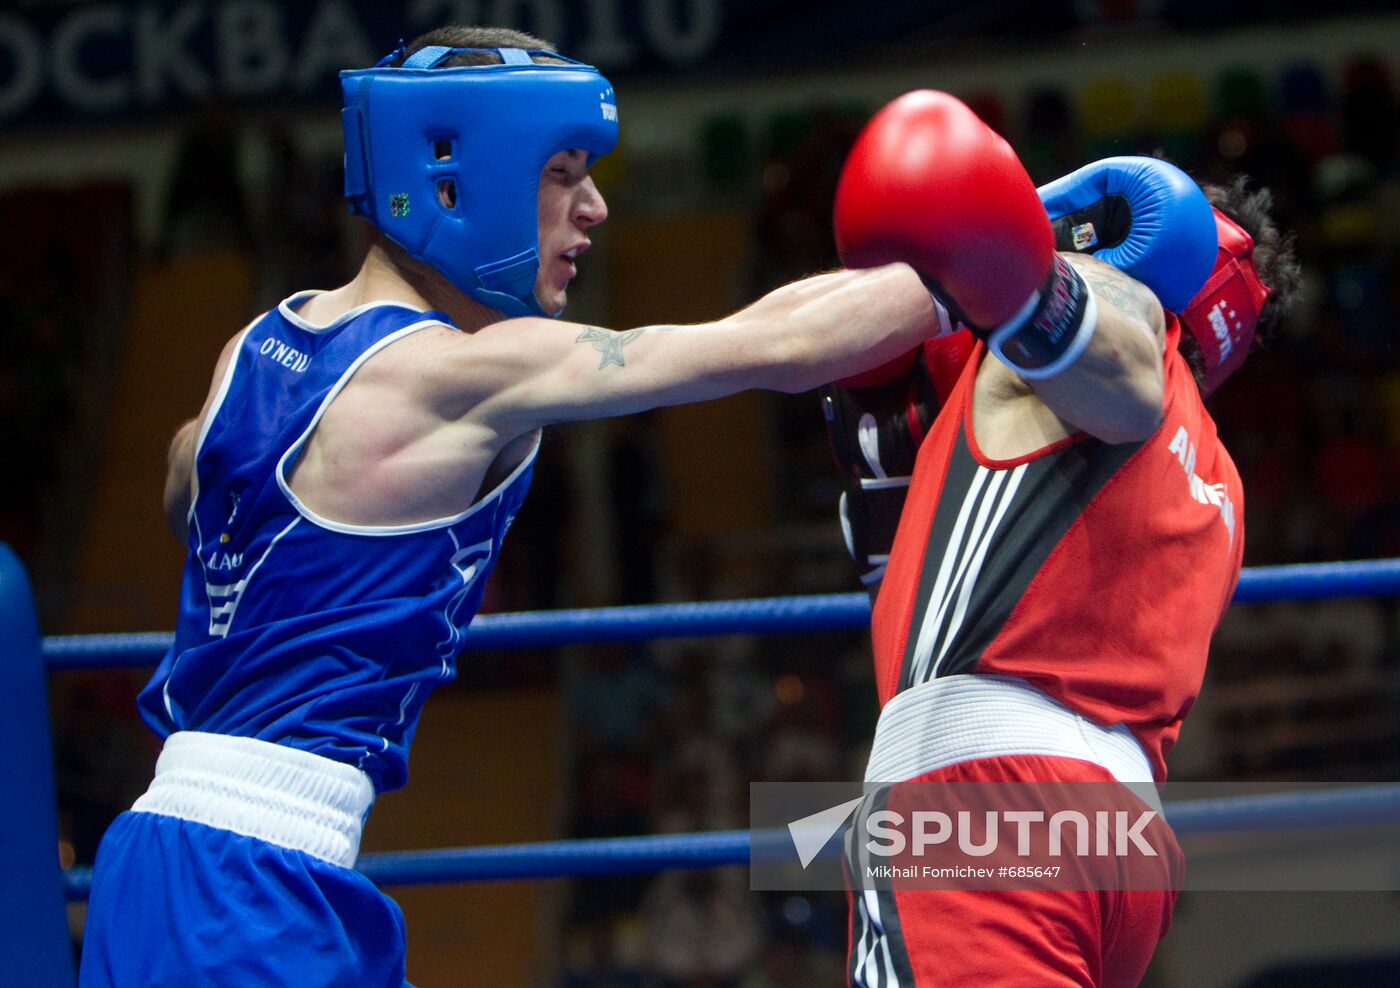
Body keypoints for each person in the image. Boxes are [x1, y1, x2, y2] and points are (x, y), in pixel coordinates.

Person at [76, 27, 945, 987]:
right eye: (562, 172)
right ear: (460, 178)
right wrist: (1005, 258)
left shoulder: (261, 341)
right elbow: (769, 346)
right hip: (250, 892)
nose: (595, 208)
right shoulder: (457, 374)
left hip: (169, 850)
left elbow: (185, 490)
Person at [823, 92, 1299, 986]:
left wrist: (1003, 252)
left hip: (984, 804)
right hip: (1119, 834)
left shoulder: (1072, 336)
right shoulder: (1218, 482)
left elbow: (1107, 352)